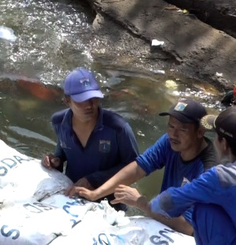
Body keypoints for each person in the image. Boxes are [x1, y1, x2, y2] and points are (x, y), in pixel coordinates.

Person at [73, 99, 218, 235]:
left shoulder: (208, 171)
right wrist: (97, 193)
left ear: (200, 132)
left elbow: (188, 227)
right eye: (171, 126)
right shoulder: (170, 143)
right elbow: (138, 167)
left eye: (183, 130)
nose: (173, 134)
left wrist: (142, 204)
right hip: (165, 219)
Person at [149, 106, 236, 245]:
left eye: (216, 136)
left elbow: (166, 204)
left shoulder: (222, 177)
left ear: (224, 144)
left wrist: (147, 204)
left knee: (204, 206)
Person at [42, 68, 140, 204]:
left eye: (93, 98)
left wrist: (94, 179)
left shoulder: (118, 128)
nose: (89, 105)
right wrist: (54, 161)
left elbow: (136, 168)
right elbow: (62, 153)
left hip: (110, 203)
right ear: (66, 101)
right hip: (72, 197)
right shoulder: (59, 122)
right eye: (81, 100)